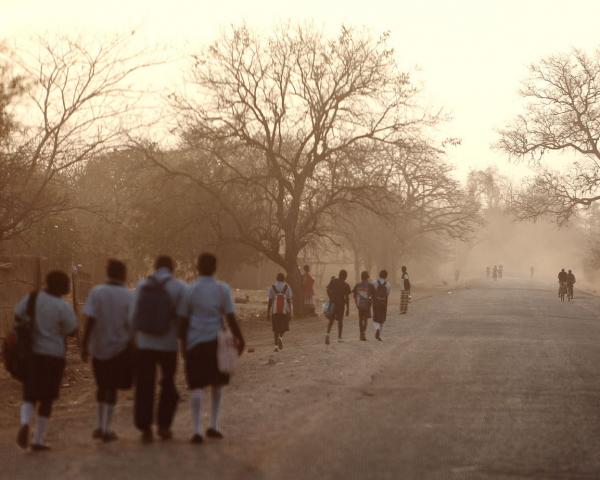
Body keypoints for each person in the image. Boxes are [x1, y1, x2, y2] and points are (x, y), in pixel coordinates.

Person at [178, 253, 245, 444]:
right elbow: (231, 317)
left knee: (196, 386)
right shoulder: (222, 289)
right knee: (217, 384)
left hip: (195, 342)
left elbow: (182, 322)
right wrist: (240, 339)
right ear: (215, 268)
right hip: (216, 343)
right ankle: (214, 425)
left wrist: (183, 346)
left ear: (197, 267)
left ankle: (197, 429)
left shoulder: (190, 290)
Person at [15, 271, 78, 451]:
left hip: (32, 355)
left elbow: (18, 315)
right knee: (47, 398)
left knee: (30, 394)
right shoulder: (62, 307)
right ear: (61, 286)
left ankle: (25, 423)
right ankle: (38, 440)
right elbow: (72, 330)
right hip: (54, 356)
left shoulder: (32, 298)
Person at [131, 255, 188, 443]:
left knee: (144, 384)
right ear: (173, 267)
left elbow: (133, 316)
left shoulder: (142, 286)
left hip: (145, 343)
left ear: (154, 267)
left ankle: (145, 427)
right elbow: (182, 318)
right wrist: (184, 343)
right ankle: (164, 426)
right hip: (168, 344)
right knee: (168, 383)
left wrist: (132, 341)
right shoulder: (179, 287)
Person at [81, 259, 133, 442]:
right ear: (123, 274)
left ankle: (99, 425)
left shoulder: (97, 292)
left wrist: (84, 345)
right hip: (119, 349)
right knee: (112, 388)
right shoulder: (128, 296)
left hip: (98, 348)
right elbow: (132, 325)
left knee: (101, 386)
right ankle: (106, 428)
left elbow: (90, 321)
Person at [267, 273, 293, 351]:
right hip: (284, 310)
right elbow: (289, 300)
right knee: (284, 326)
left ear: (277, 278)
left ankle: (275, 347)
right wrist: (290, 311)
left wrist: (268, 312)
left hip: (275, 310)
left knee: (275, 328)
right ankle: (280, 337)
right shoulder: (287, 287)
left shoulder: (272, 287)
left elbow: (270, 300)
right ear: (284, 278)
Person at [325, 270, 351, 345]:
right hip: (341, 305)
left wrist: (331, 297)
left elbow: (328, 289)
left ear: (339, 274)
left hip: (333, 303)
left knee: (331, 320)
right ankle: (339, 338)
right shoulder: (346, 285)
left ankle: (327, 334)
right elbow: (347, 298)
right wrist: (348, 309)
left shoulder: (333, 281)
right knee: (340, 321)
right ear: (345, 276)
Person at [353, 271, 375, 341]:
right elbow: (374, 295)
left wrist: (357, 303)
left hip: (359, 305)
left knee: (360, 319)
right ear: (367, 277)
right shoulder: (370, 285)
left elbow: (354, 295)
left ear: (361, 277)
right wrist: (371, 301)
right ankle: (363, 333)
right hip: (367, 305)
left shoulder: (357, 285)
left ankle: (360, 333)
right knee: (365, 319)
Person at [372, 270, 391, 341]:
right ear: (386, 276)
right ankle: (379, 334)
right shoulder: (388, 284)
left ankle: (377, 328)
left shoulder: (374, 282)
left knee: (375, 317)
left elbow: (372, 292)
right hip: (383, 303)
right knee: (382, 318)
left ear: (379, 274)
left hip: (376, 303)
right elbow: (387, 294)